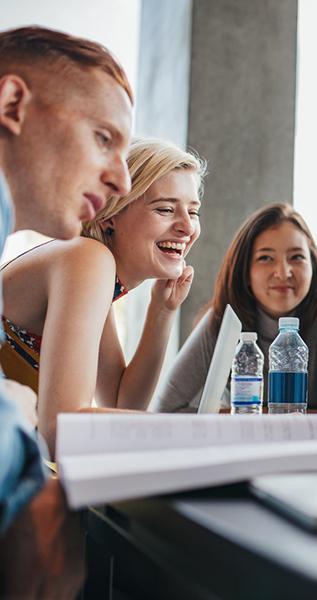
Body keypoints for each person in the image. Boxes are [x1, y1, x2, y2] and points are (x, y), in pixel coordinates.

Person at [0, 26, 134, 598]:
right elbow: (63, 428)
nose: (120, 180)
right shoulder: (87, 260)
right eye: (103, 137)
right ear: (11, 104)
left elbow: (115, 400)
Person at [0, 137, 205, 457]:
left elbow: (123, 403)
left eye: (193, 212)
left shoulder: (97, 273)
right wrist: (197, 433)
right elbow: (61, 431)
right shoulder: (88, 258)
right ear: (110, 214)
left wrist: (162, 311)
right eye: (165, 209)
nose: (186, 227)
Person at [156, 203, 317, 419]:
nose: (283, 272)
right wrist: (264, 416)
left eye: (296, 257)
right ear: (245, 271)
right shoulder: (222, 320)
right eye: (266, 258)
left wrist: (244, 416)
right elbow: (165, 410)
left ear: (313, 265)